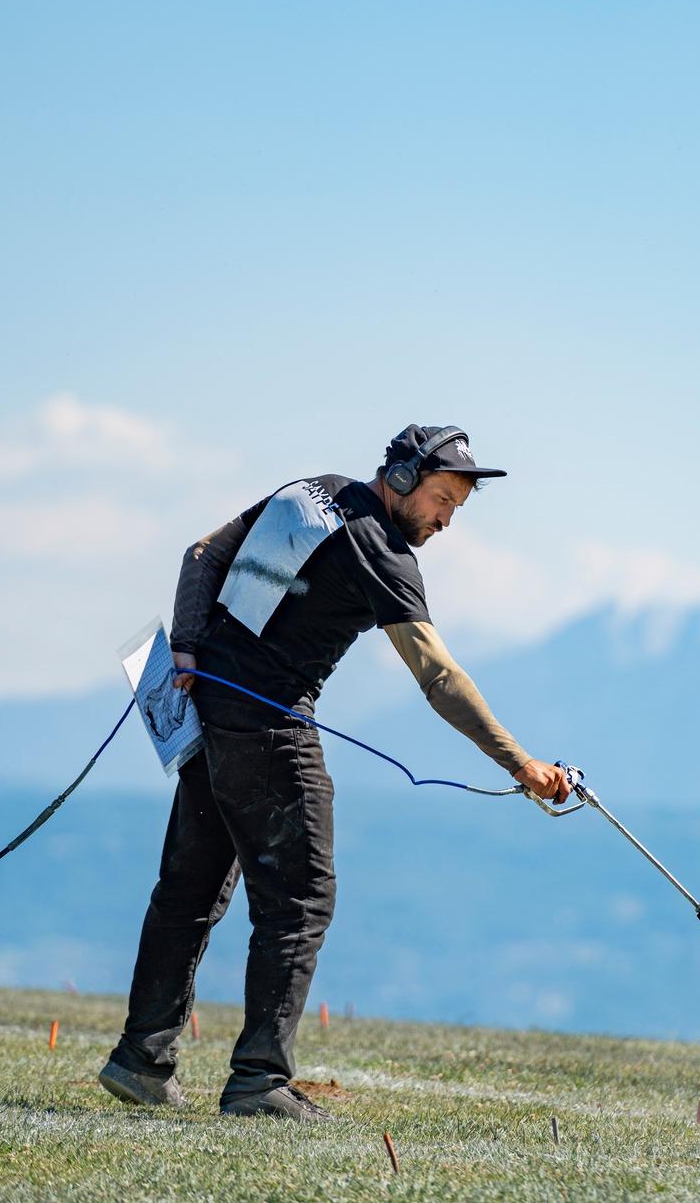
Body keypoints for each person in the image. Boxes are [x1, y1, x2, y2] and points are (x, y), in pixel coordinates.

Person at [98, 425, 569, 1121]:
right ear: (402, 478)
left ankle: (142, 1058)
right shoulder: (382, 550)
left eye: (456, 509)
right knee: (301, 901)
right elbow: (439, 677)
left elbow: (201, 554)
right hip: (271, 727)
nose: (445, 521)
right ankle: (258, 1081)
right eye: (442, 500)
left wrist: (189, 646)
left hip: (208, 714)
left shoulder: (311, 492)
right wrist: (521, 762)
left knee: (188, 892)